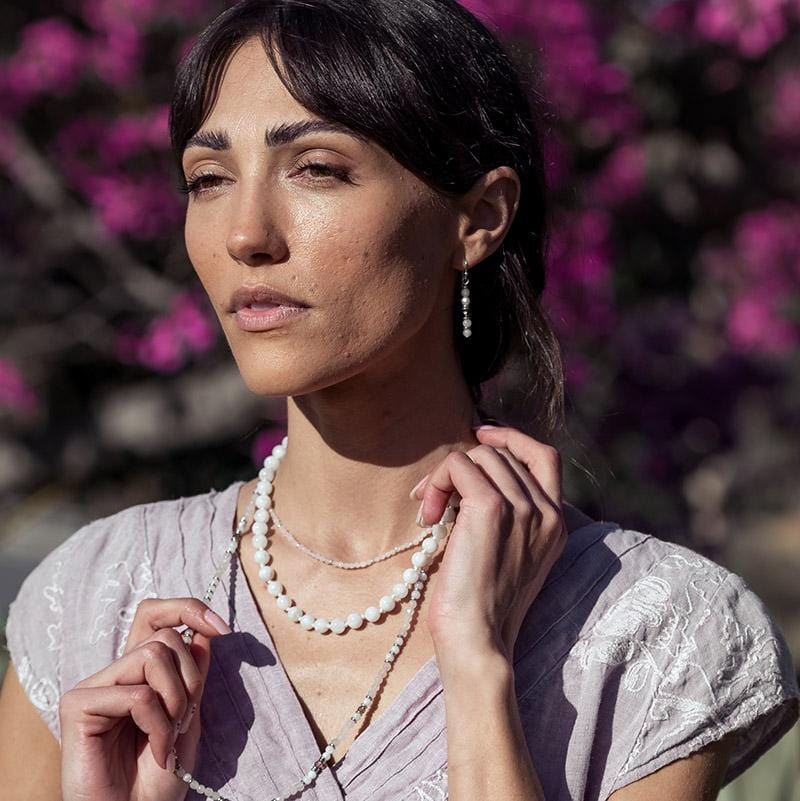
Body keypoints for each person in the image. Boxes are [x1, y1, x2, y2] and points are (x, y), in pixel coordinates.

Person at [1, 0, 798, 799]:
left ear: (479, 217)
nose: (246, 233)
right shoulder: (91, 597)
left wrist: (481, 669)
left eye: (316, 168)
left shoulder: (652, 633)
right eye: (209, 179)